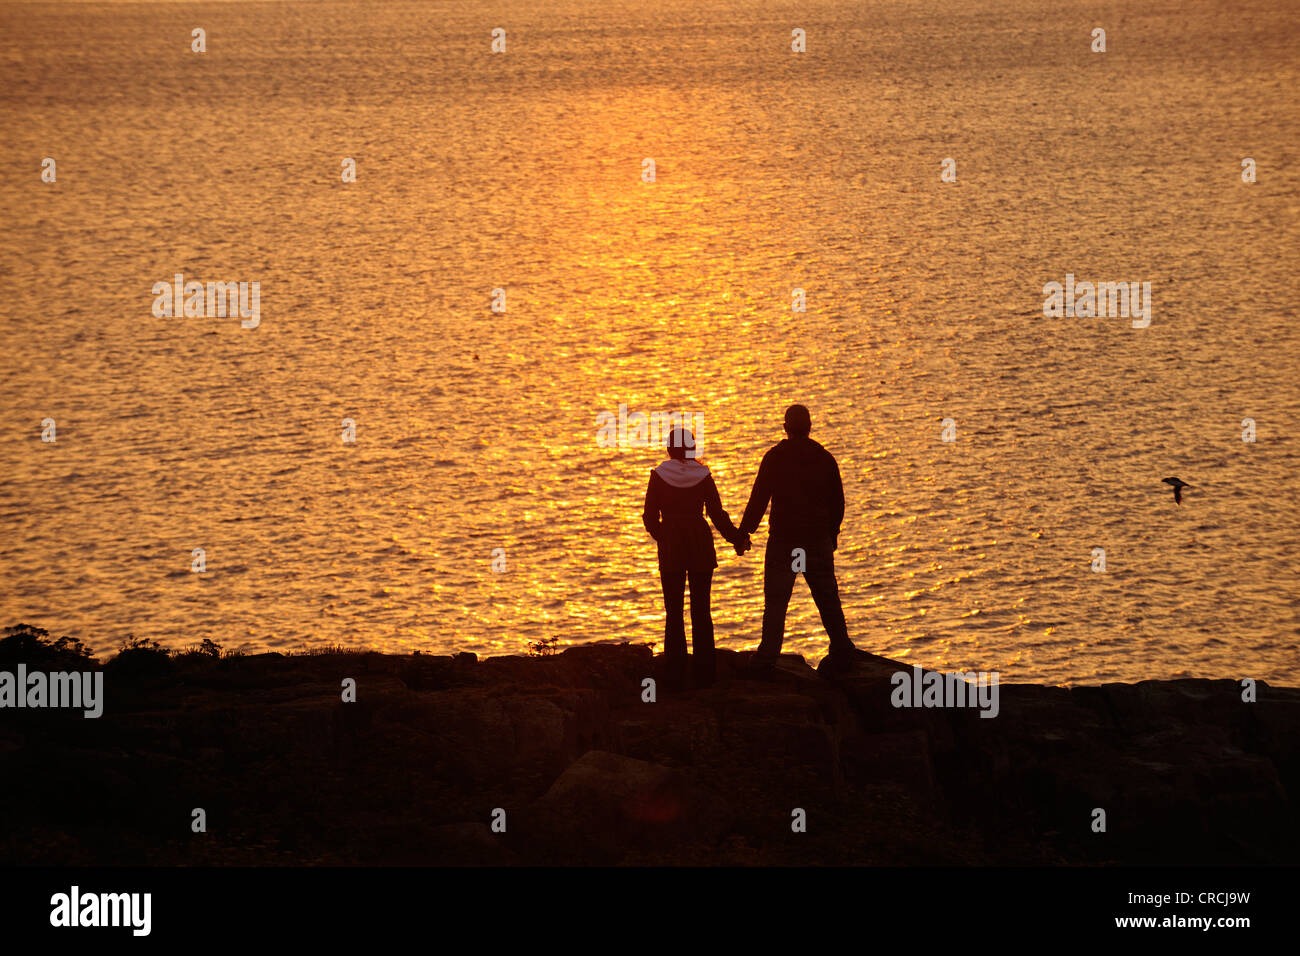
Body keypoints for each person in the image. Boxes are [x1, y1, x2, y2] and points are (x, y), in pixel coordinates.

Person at [738, 404, 869, 672]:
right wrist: (832, 534)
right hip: (816, 539)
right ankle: (842, 649)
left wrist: (744, 533)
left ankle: (766, 659)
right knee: (827, 598)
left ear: (785, 428)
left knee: (775, 603)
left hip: (784, 541)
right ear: (810, 427)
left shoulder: (774, 458)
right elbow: (838, 503)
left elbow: (758, 500)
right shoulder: (825, 459)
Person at [642, 427, 750, 688]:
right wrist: (737, 539)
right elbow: (716, 514)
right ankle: (705, 673)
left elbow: (649, 516)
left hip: (672, 546)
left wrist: (664, 536)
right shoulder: (703, 475)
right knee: (701, 610)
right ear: (691, 449)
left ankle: (676, 672)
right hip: (700, 542)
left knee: (674, 611)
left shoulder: (658, 476)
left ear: (669, 449)